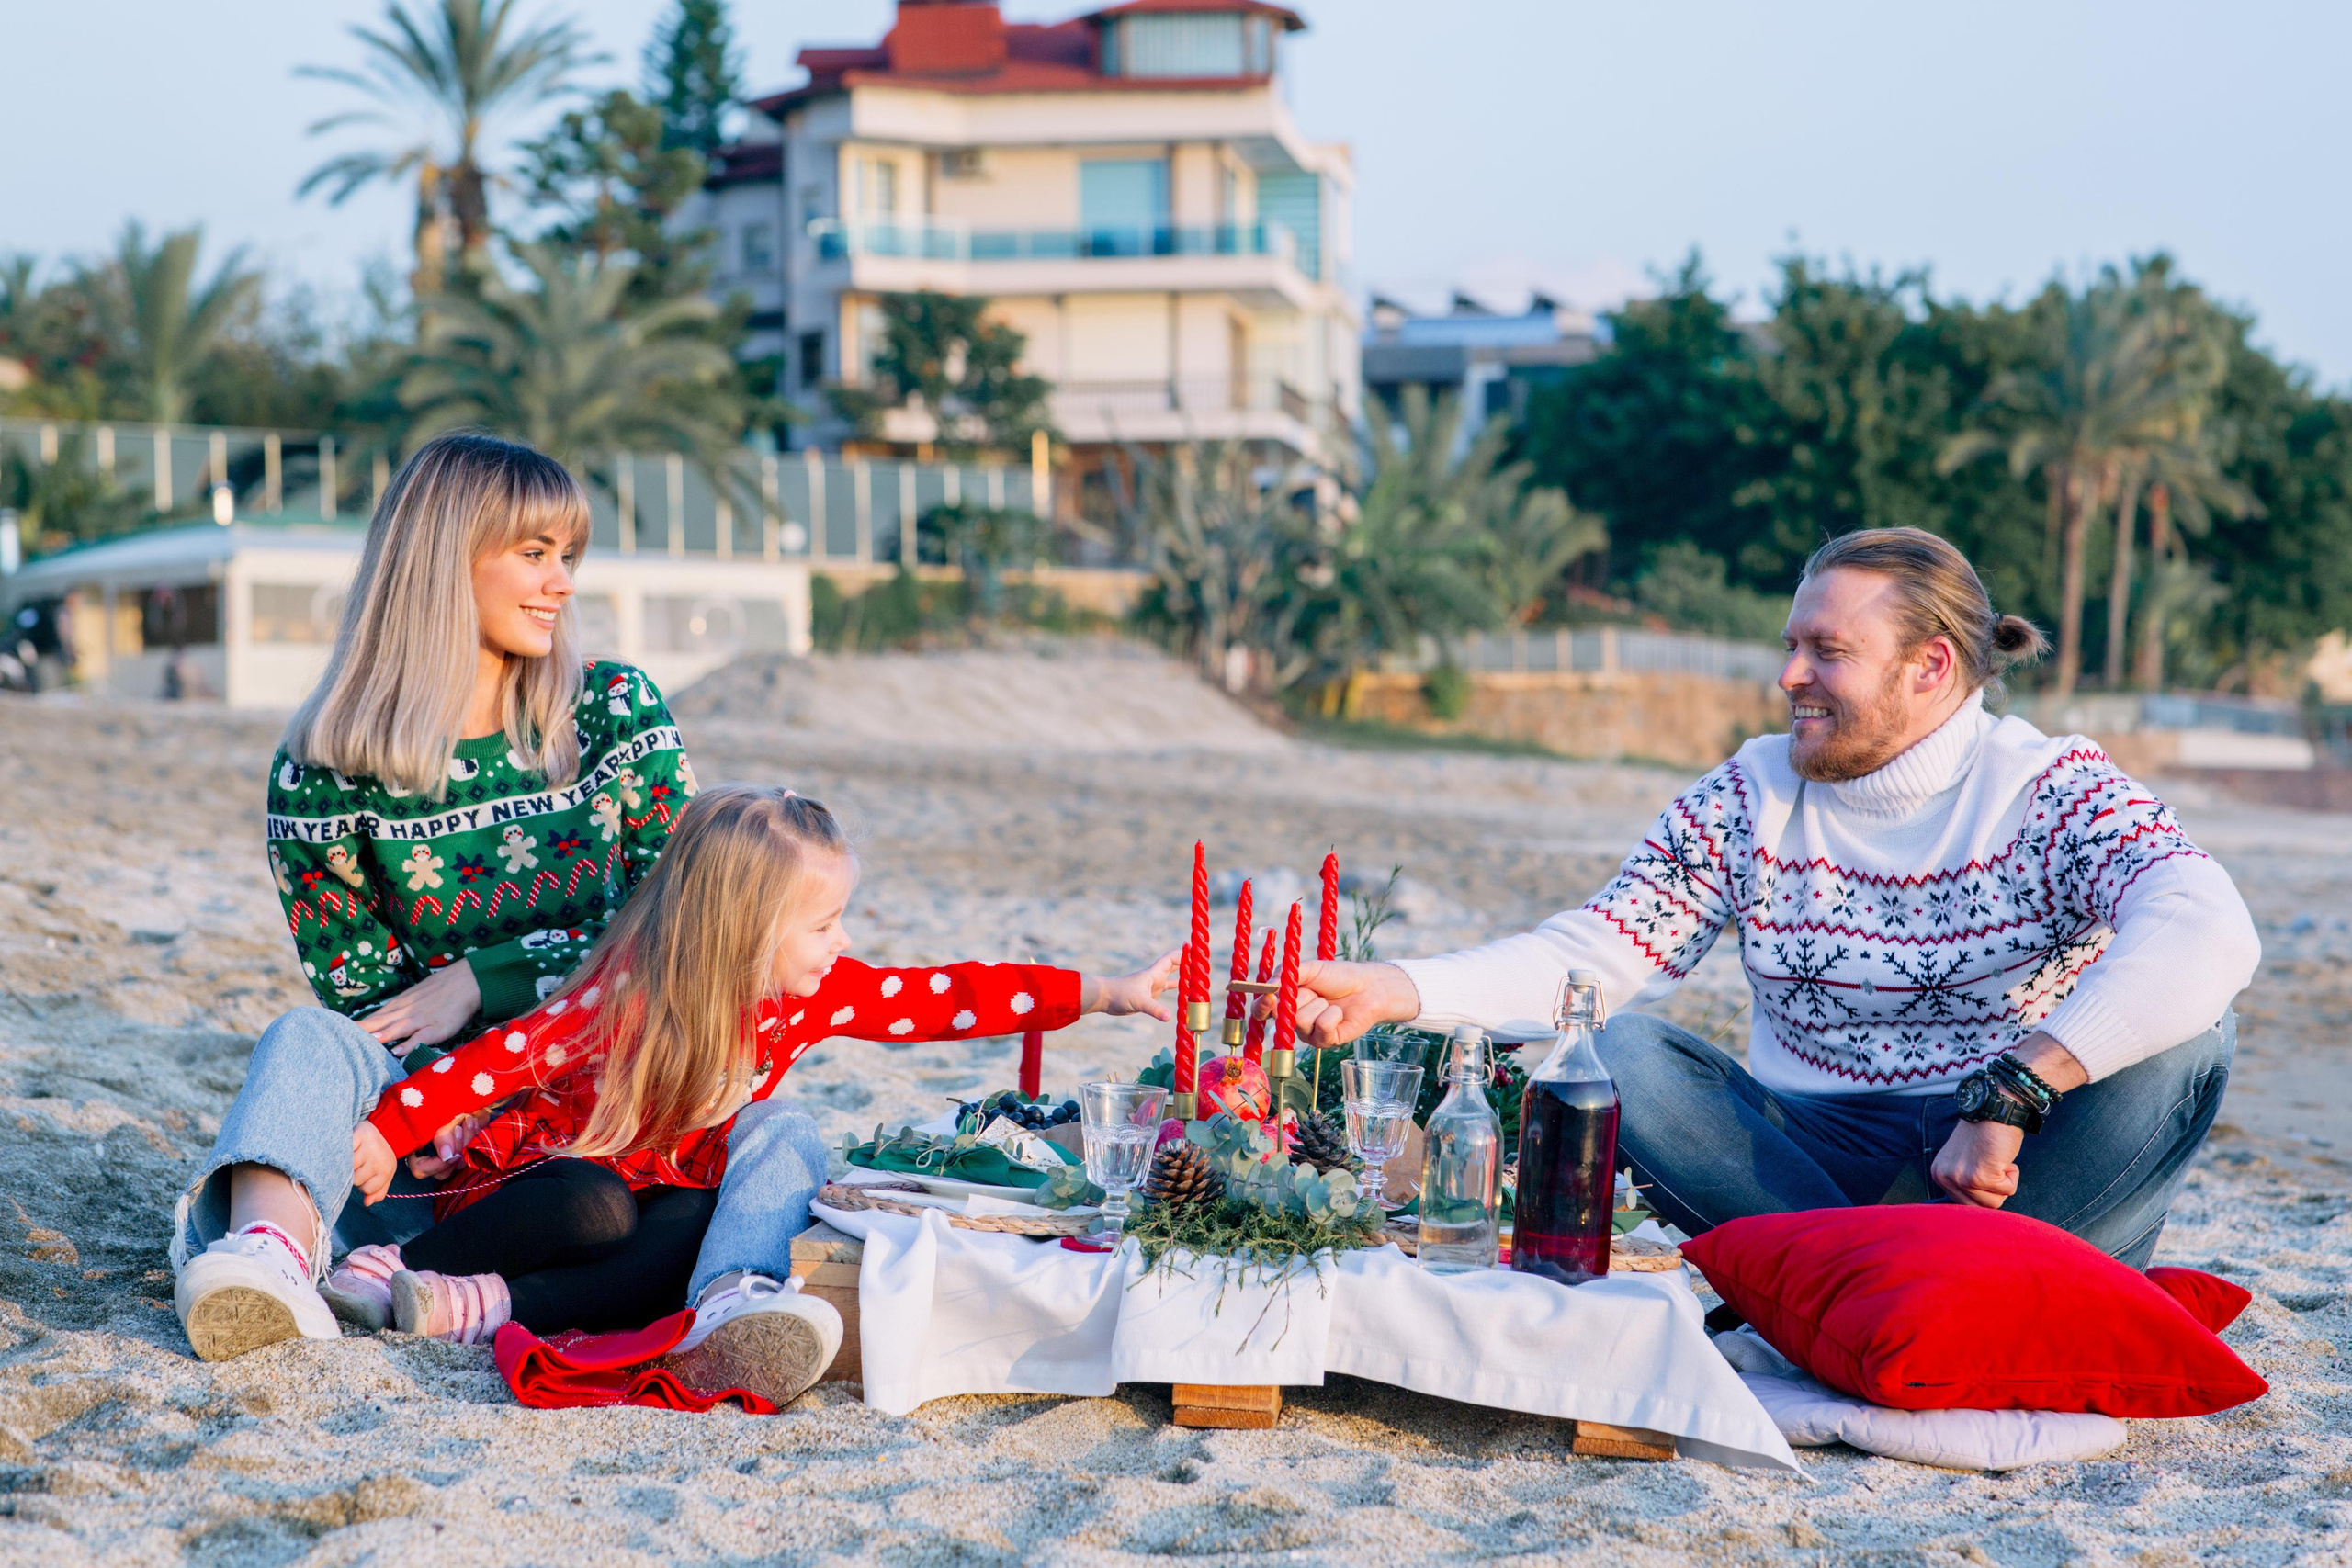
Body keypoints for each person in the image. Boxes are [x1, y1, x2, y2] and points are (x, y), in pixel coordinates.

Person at [1293, 527, 2260, 1269]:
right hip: (1809, 1162)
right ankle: (1865, 1278)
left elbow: (2206, 927)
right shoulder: (1746, 796)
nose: (1788, 675)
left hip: (2018, 1168)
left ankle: (1909, 1279)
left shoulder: (2049, 788)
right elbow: (1594, 955)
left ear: (1930, 665)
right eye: (1791, 645)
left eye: (1825, 651)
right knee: (1618, 1049)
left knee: (2192, 1031)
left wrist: (2013, 1088)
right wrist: (1396, 985)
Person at [182, 784, 1179, 1404]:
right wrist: (401, 1128)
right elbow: (505, 1058)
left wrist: (1101, 993)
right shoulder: (630, 998)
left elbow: (947, 996)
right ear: (744, 930)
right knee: (592, 1200)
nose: (842, 944)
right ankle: (406, 1261)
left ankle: (466, 1306)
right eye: (823, 923)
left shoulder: (820, 995)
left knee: (679, 1236)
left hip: (655, 1204)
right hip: (538, 1194)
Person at [174, 432, 696, 1358]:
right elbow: (366, 1000)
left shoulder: (616, 715)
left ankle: (404, 1274)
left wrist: (485, 980)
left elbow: (672, 933)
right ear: (441, 563)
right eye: (534, 555)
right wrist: (440, 1098)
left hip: (589, 1099)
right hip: (422, 1132)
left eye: (566, 556)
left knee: (666, 1184)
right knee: (308, 1037)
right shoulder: (326, 768)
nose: (562, 583)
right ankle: (264, 1260)